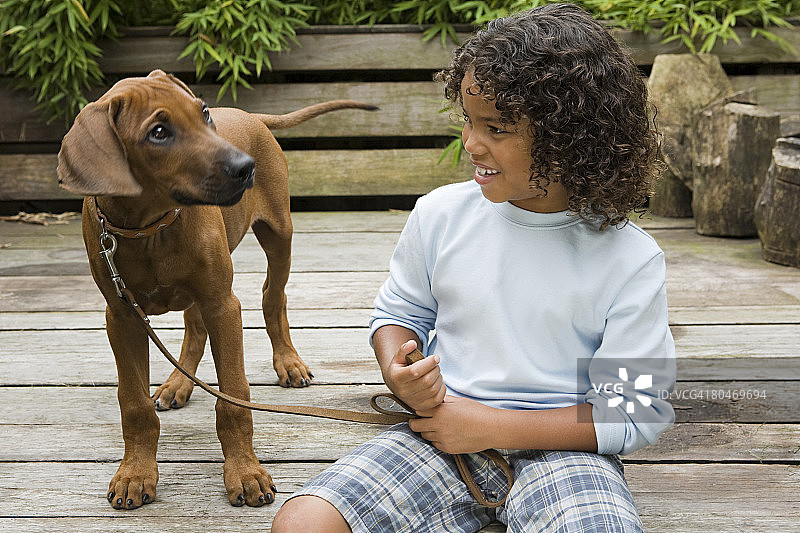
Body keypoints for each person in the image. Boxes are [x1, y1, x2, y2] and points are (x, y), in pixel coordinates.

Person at [272, 3, 676, 532]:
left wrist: (489, 426)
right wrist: (399, 371)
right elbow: (401, 313)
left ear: (573, 136)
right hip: (440, 434)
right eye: (468, 118)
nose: (470, 142)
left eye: (497, 127)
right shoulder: (440, 215)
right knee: (303, 522)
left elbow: (632, 412)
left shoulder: (630, 259)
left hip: (566, 449)